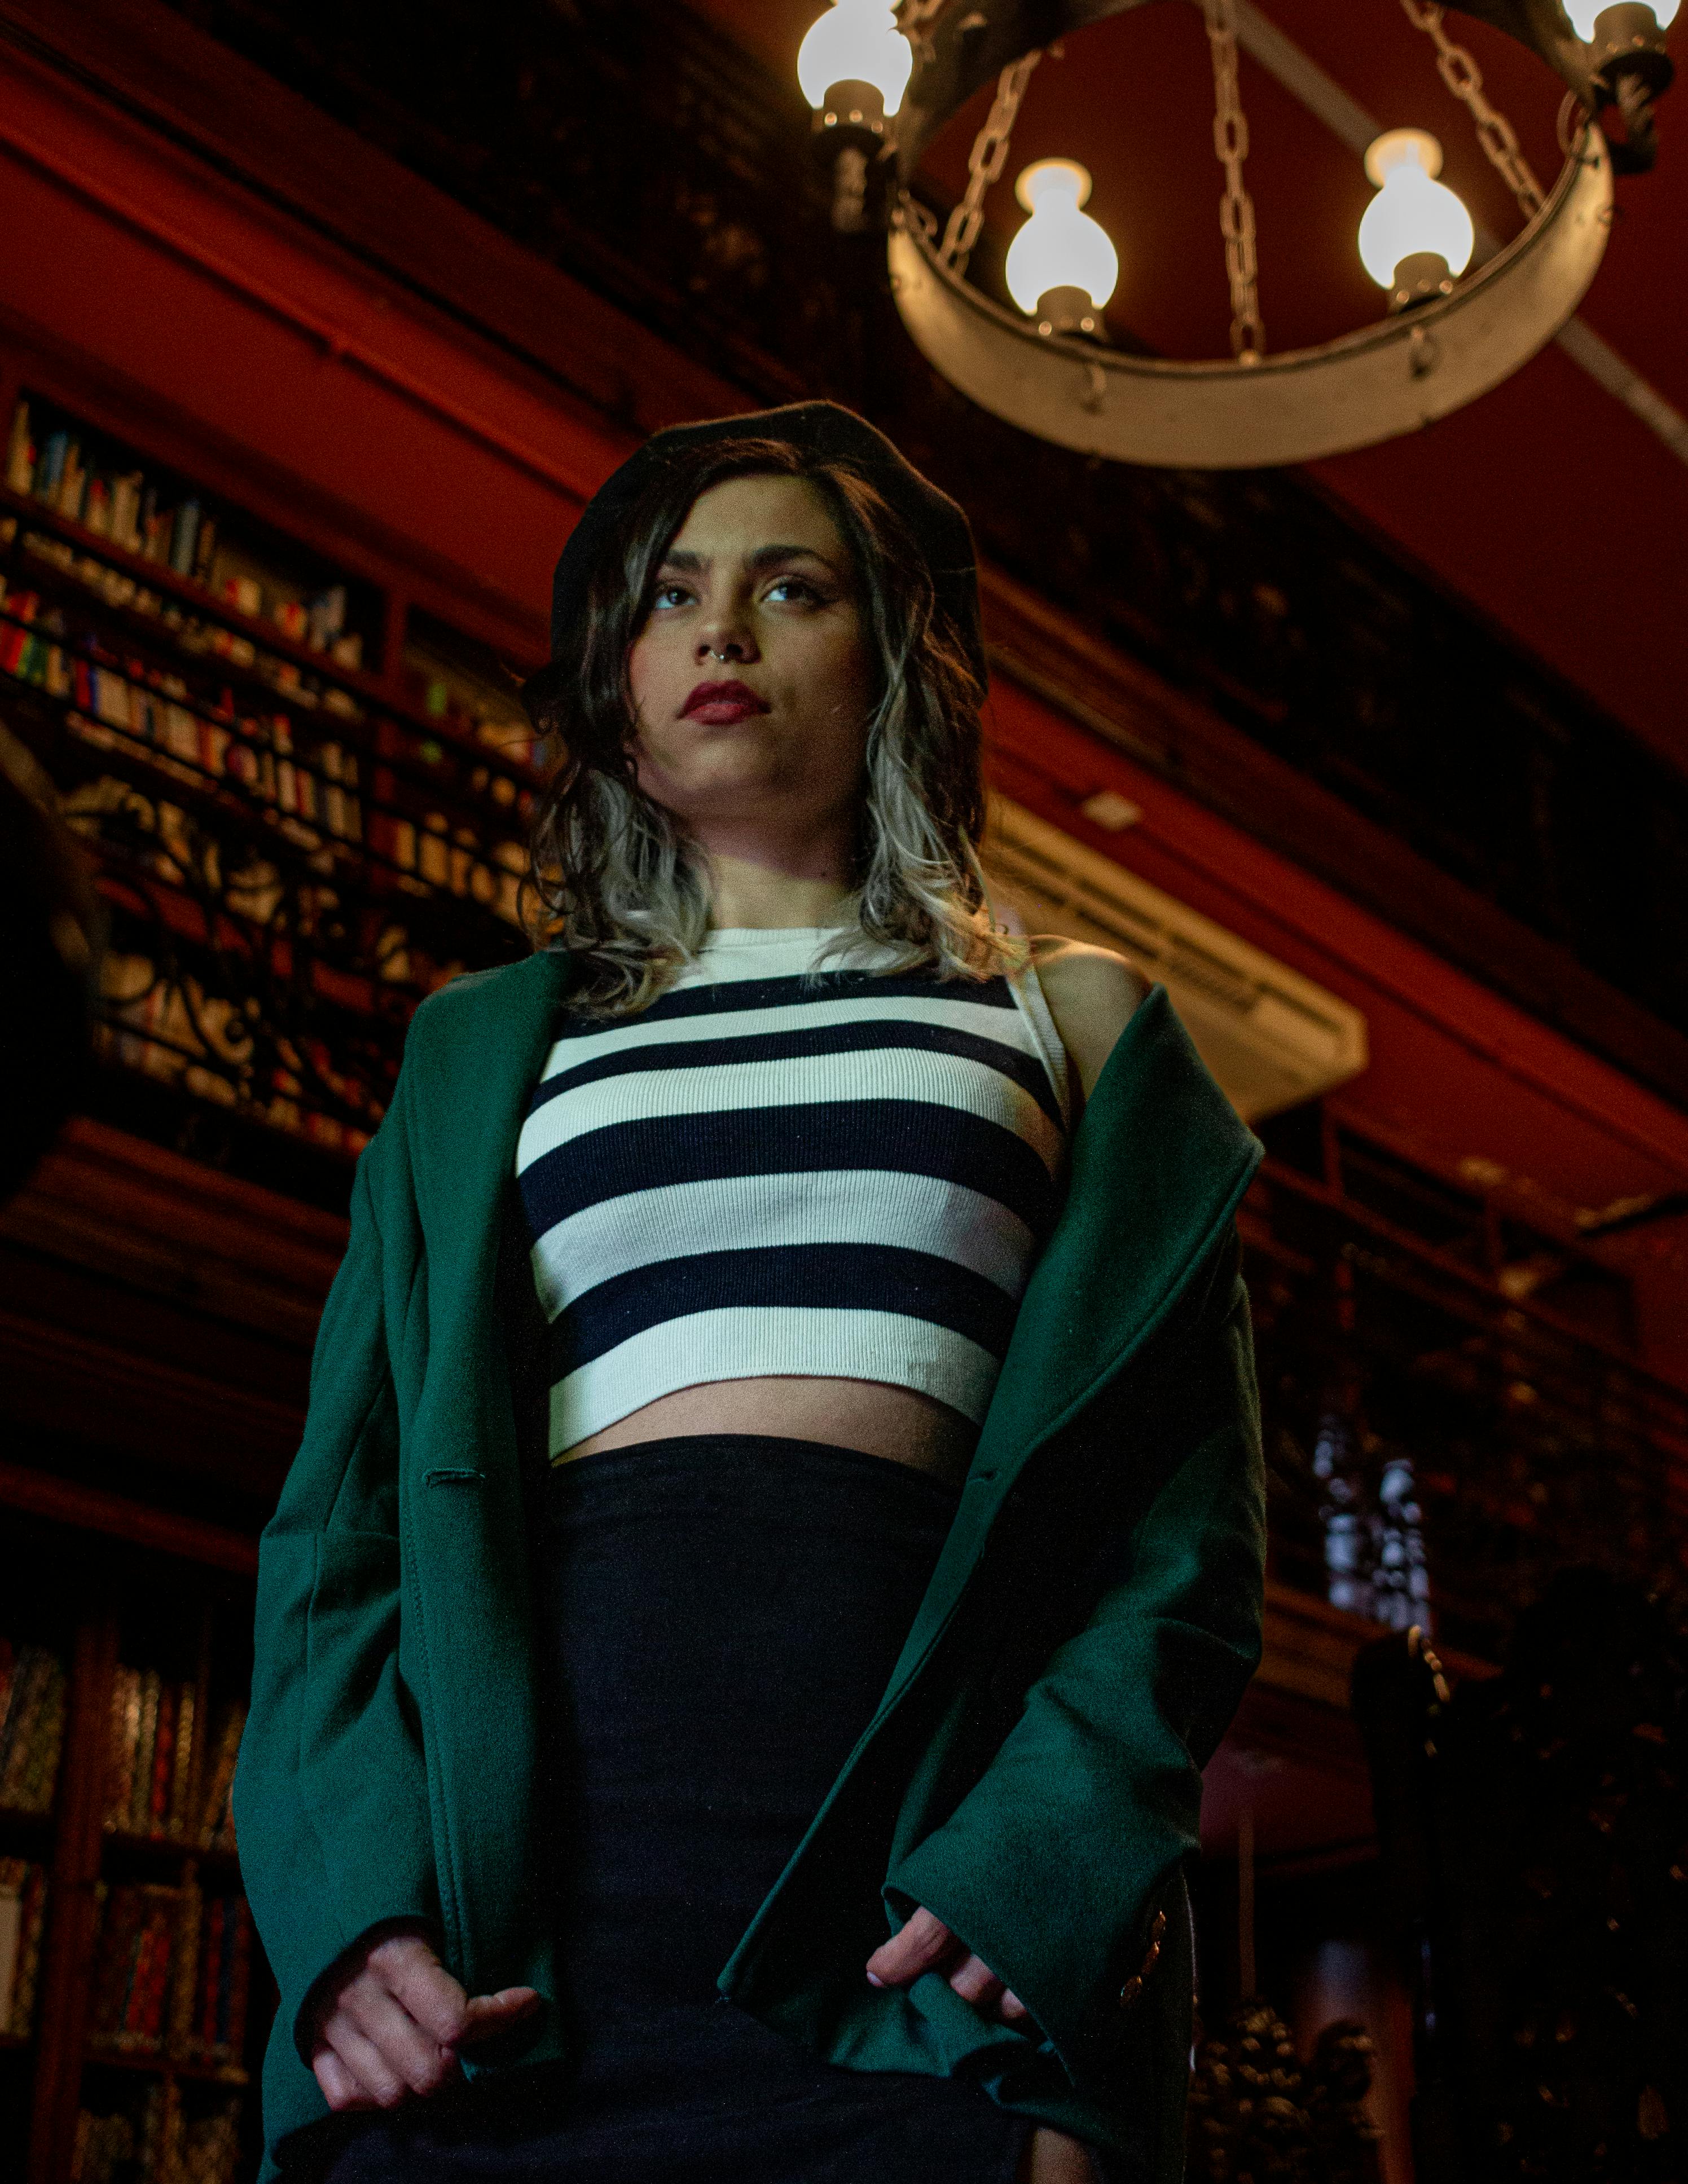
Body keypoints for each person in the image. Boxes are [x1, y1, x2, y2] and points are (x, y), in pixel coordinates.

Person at [234, 401, 1267, 2184]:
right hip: (525, 1929)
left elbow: (1184, 1535)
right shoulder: (488, 1048)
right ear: (616, 704)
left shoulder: (1075, 1024)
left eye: (791, 587)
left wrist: (1047, 1861)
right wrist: (355, 1921)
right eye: (667, 598)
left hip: (915, 1916)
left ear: (896, 667)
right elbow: (336, 1546)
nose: (717, 631)